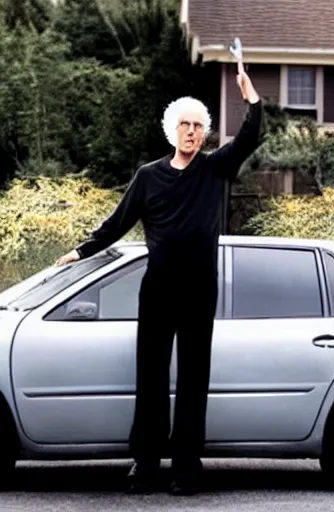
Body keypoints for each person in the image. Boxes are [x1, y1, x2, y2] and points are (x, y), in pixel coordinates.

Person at [56, 68, 263, 495]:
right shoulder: (148, 176)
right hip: (158, 291)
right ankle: (145, 464)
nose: (191, 132)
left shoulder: (215, 169)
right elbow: (117, 223)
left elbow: (248, 139)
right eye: (184, 125)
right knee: (150, 378)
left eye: (198, 126)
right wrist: (81, 251)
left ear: (205, 134)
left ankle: (187, 467)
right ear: (172, 131)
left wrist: (253, 101)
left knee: (192, 379)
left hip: (199, 290)